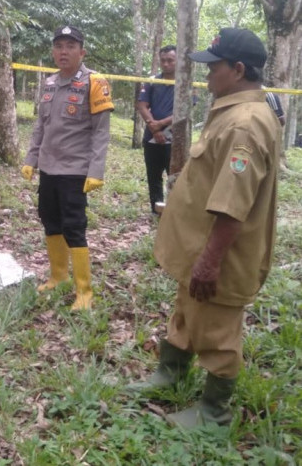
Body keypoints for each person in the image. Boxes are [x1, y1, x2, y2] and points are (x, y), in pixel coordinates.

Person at [125, 28, 281, 429]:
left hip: (223, 251)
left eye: (214, 67)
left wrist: (211, 261)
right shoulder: (230, 111)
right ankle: (171, 371)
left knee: (217, 326)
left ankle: (214, 411)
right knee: (187, 308)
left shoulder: (245, 124)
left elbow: (233, 203)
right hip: (199, 242)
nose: (207, 75)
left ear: (239, 69)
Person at [21, 24, 114, 310]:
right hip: (49, 167)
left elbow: (101, 132)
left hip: (75, 170)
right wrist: (31, 158)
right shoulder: (49, 83)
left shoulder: (95, 83)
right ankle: (58, 276)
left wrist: (96, 171)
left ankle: (84, 291)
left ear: (81, 52)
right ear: (53, 51)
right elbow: (41, 126)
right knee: (49, 219)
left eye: (70, 46)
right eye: (59, 46)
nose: (64, 52)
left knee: (74, 226)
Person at [136, 45, 176, 214]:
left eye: (170, 60)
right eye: (163, 60)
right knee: (154, 177)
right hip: (151, 137)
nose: (166, 64)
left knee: (175, 178)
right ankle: (156, 211)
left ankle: (174, 212)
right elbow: (142, 105)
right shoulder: (152, 80)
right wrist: (154, 128)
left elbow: (185, 110)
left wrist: (161, 124)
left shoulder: (187, 83)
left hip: (175, 139)